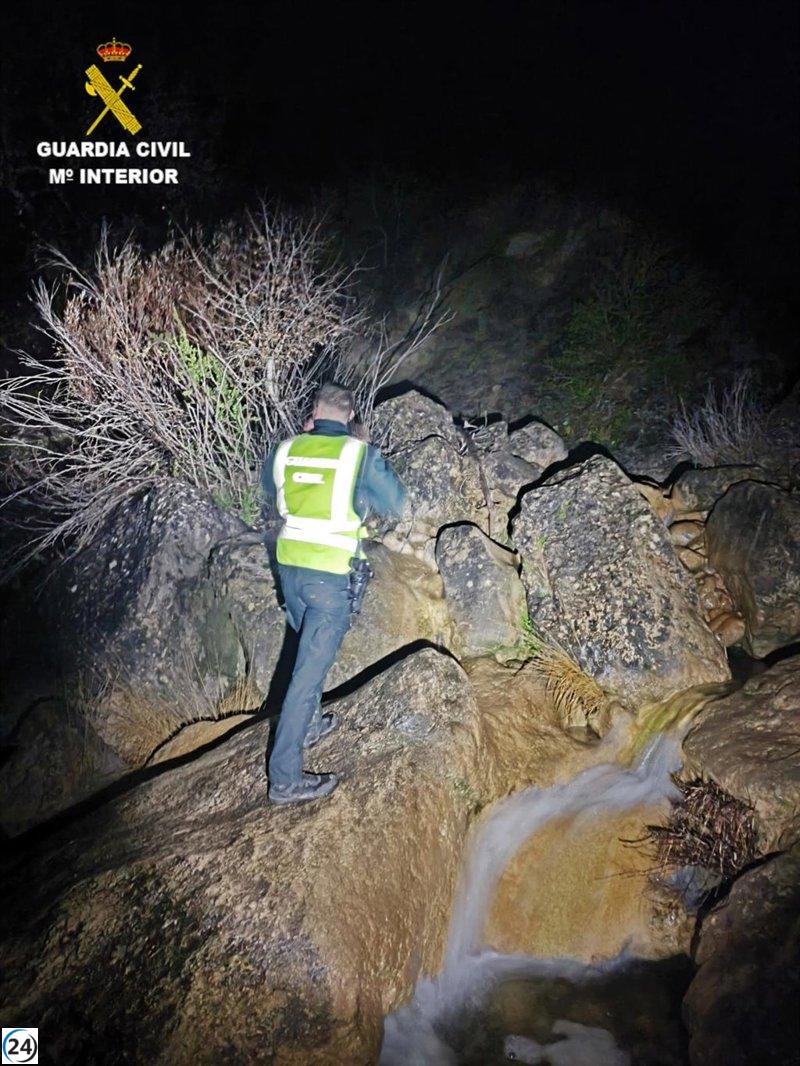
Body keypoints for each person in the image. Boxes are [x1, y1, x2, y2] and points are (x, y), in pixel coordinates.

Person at [260, 382, 406, 805]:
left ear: (315, 412)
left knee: (309, 654)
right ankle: (284, 780)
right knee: (305, 677)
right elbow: (396, 502)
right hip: (329, 578)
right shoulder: (357, 454)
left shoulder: (287, 449)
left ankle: (309, 726)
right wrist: (364, 457)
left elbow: (270, 491)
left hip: (289, 572)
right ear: (349, 414)